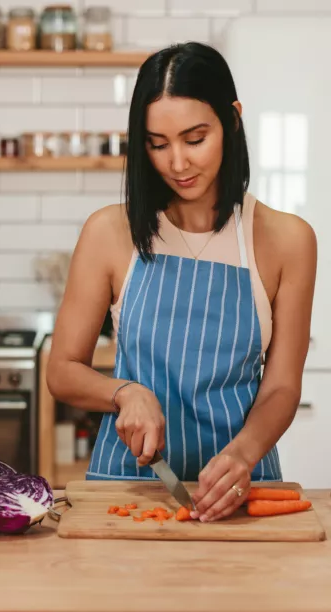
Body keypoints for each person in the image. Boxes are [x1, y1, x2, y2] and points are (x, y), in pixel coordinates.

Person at [46, 42, 317, 523]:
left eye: (195, 139)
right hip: (125, 492)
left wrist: (243, 455)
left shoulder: (287, 241)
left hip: (243, 491)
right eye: (157, 143)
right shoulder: (109, 232)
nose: (177, 163)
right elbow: (63, 369)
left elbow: (280, 387)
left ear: (232, 120)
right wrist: (124, 392)